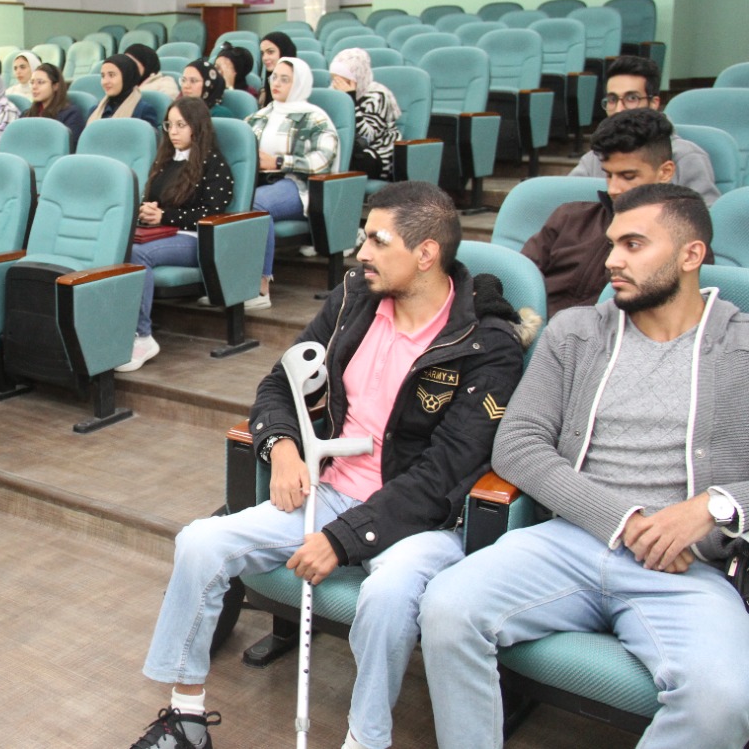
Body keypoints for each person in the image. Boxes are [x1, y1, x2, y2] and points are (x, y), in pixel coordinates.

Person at [132, 182, 528, 749]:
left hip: (422, 523)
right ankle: (186, 716)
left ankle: (365, 739)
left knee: (387, 596)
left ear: (425, 253)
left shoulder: (487, 344)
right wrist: (282, 447)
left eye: (378, 240)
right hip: (330, 493)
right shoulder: (352, 301)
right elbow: (279, 382)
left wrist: (343, 540)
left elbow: (446, 473)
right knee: (201, 542)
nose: (361, 252)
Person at [420, 183, 749, 749]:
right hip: (568, 541)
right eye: (612, 243)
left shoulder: (741, 348)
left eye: (634, 245)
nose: (612, 259)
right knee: (447, 609)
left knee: (723, 703)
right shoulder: (575, 332)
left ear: (691, 254)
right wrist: (625, 521)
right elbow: (517, 444)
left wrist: (714, 508)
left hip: (686, 569)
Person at [523, 108, 710, 318]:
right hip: (534, 328)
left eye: (628, 176)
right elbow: (518, 277)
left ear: (665, 172)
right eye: (609, 175)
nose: (613, 189)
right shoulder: (569, 217)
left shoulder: (683, 238)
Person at [116, 97, 234, 373]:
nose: (173, 132)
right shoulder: (167, 160)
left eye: (181, 125)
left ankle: (142, 337)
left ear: (197, 127)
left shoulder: (214, 164)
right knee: (116, 248)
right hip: (162, 233)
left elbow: (213, 213)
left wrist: (165, 216)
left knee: (137, 254)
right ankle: (118, 331)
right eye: (170, 125)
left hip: (196, 240)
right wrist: (148, 210)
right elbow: (156, 200)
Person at [247, 57, 339, 308]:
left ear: (299, 84)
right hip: (257, 181)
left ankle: (260, 288)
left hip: (298, 185)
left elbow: (323, 160)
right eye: (274, 77)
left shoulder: (315, 118)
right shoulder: (259, 116)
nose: (276, 83)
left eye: (285, 79)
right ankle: (229, 285)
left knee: (254, 205)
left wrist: (279, 162)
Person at [570, 55, 718, 205]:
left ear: (654, 103)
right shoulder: (594, 157)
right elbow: (569, 203)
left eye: (631, 98)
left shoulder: (687, 156)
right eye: (612, 100)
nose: (619, 109)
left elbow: (705, 215)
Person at [330, 48, 401, 181]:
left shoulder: (377, 95)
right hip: (348, 149)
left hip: (376, 153)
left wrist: (350, 99)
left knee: (344, 164)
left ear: (356, 77)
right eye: (334, 78)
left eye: (342, 79)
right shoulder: (333, 92)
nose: (336, 84)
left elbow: (367, 137)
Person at [23, 62, 85, 150]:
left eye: (40, 82)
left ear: (55, 86)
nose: (34, 87)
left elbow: (69, 147)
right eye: (32, 82)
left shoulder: (71, 114)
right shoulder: (27, 114)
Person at [88, 54, 159, 126]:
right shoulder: (95, 111)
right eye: (103, 76)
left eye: (111, 75)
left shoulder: (143, 111)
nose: (105, 82)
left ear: (127, 77)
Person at [257, 31, 298, 109]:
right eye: (262, 53)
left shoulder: (297, 82)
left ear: (284, 52)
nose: (264, 58)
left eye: (270, 52)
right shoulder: (266, 87)